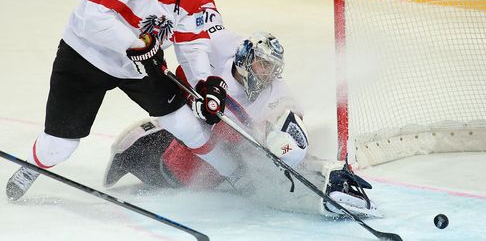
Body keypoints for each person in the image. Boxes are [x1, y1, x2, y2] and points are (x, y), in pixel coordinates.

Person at [5, 0, 239, 201]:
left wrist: (202, 83)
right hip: (85, 58)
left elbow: (191, 45)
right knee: (58, 147)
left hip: (138, 66)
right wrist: (137, 45)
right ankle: (32, 167)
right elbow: (95, 19)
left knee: (185, 123)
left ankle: (235, 174)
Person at [102, 30, 380, 217]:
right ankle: (133, 148)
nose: (268, 72)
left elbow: (291, 130)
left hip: (217, 166)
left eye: (272, 67)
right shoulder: (216, 71)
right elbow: (183, 70)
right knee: (177, 166)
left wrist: (319, 168)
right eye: (262, 65)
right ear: (245, 60)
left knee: (224, 158)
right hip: (176, 162)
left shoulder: (278, 92)